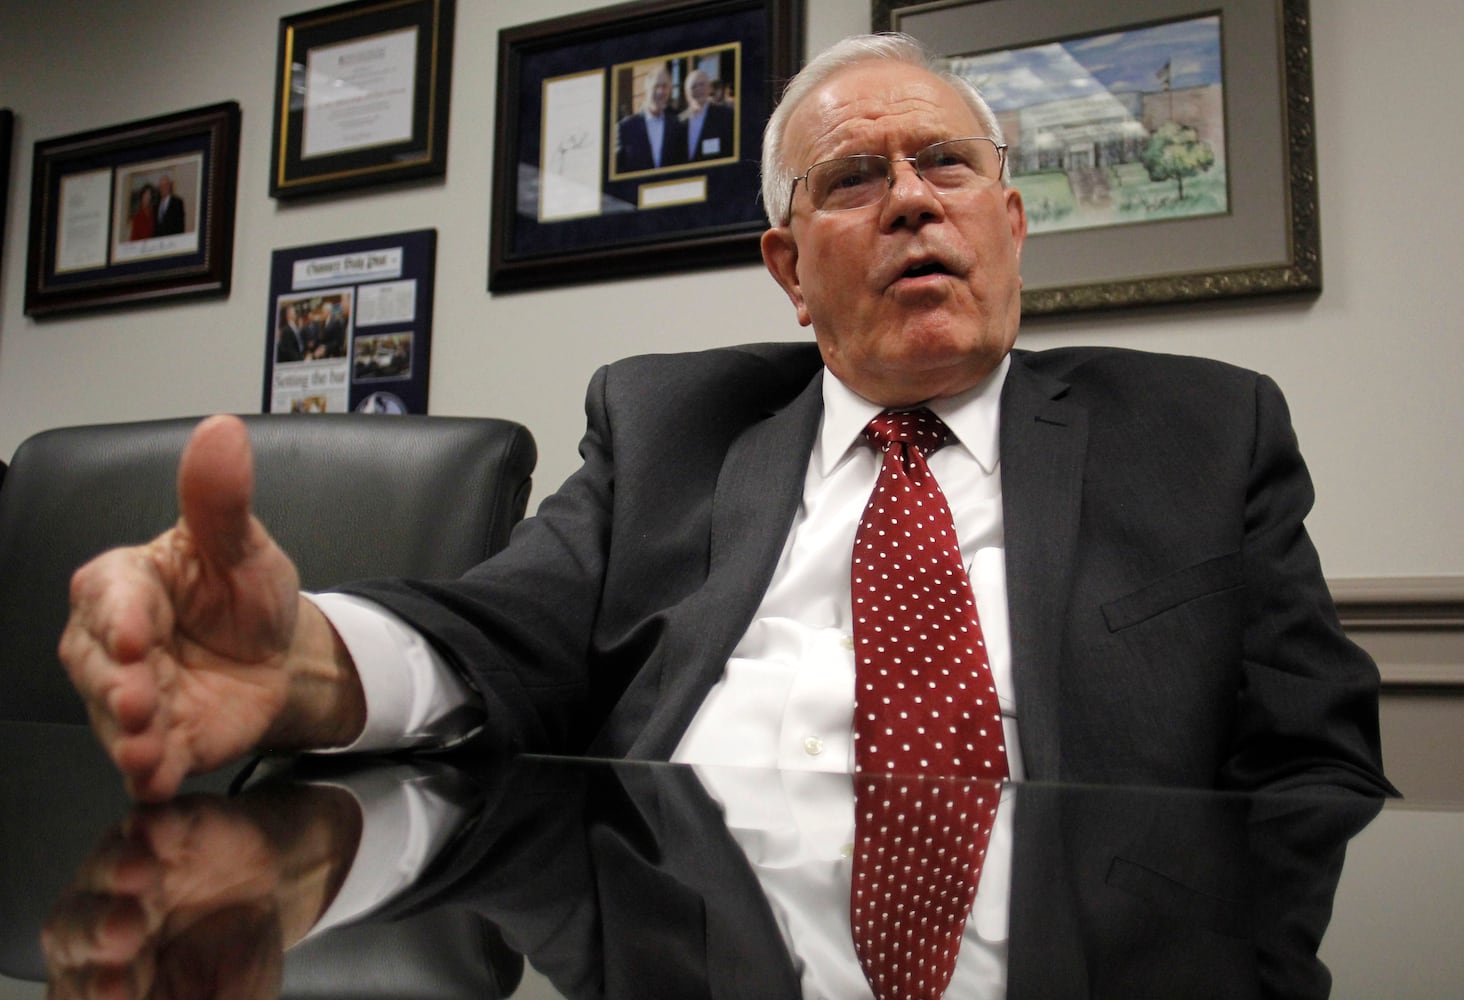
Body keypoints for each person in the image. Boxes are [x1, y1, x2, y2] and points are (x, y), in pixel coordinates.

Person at [61, 26, 1391, 857]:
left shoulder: (1203, 433)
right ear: (789, 268)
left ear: (1012, 223)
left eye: (948, 164)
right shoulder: (668, 426)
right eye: (854, 178)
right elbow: (497, 637)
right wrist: (301, 659)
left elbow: (1317, 772)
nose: (912, 200)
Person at [613, 62, 685, 173]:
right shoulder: (625, 128)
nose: (660, 91)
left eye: (665, 86)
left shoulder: (677, 127)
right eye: (656, 86)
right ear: (646, 89)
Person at [679, 68, 736, 162]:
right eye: (693, 86)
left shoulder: (725, 116)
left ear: (709, 88)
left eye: (701, 84)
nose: (698, 89)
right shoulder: (679, 122)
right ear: (686, 92)